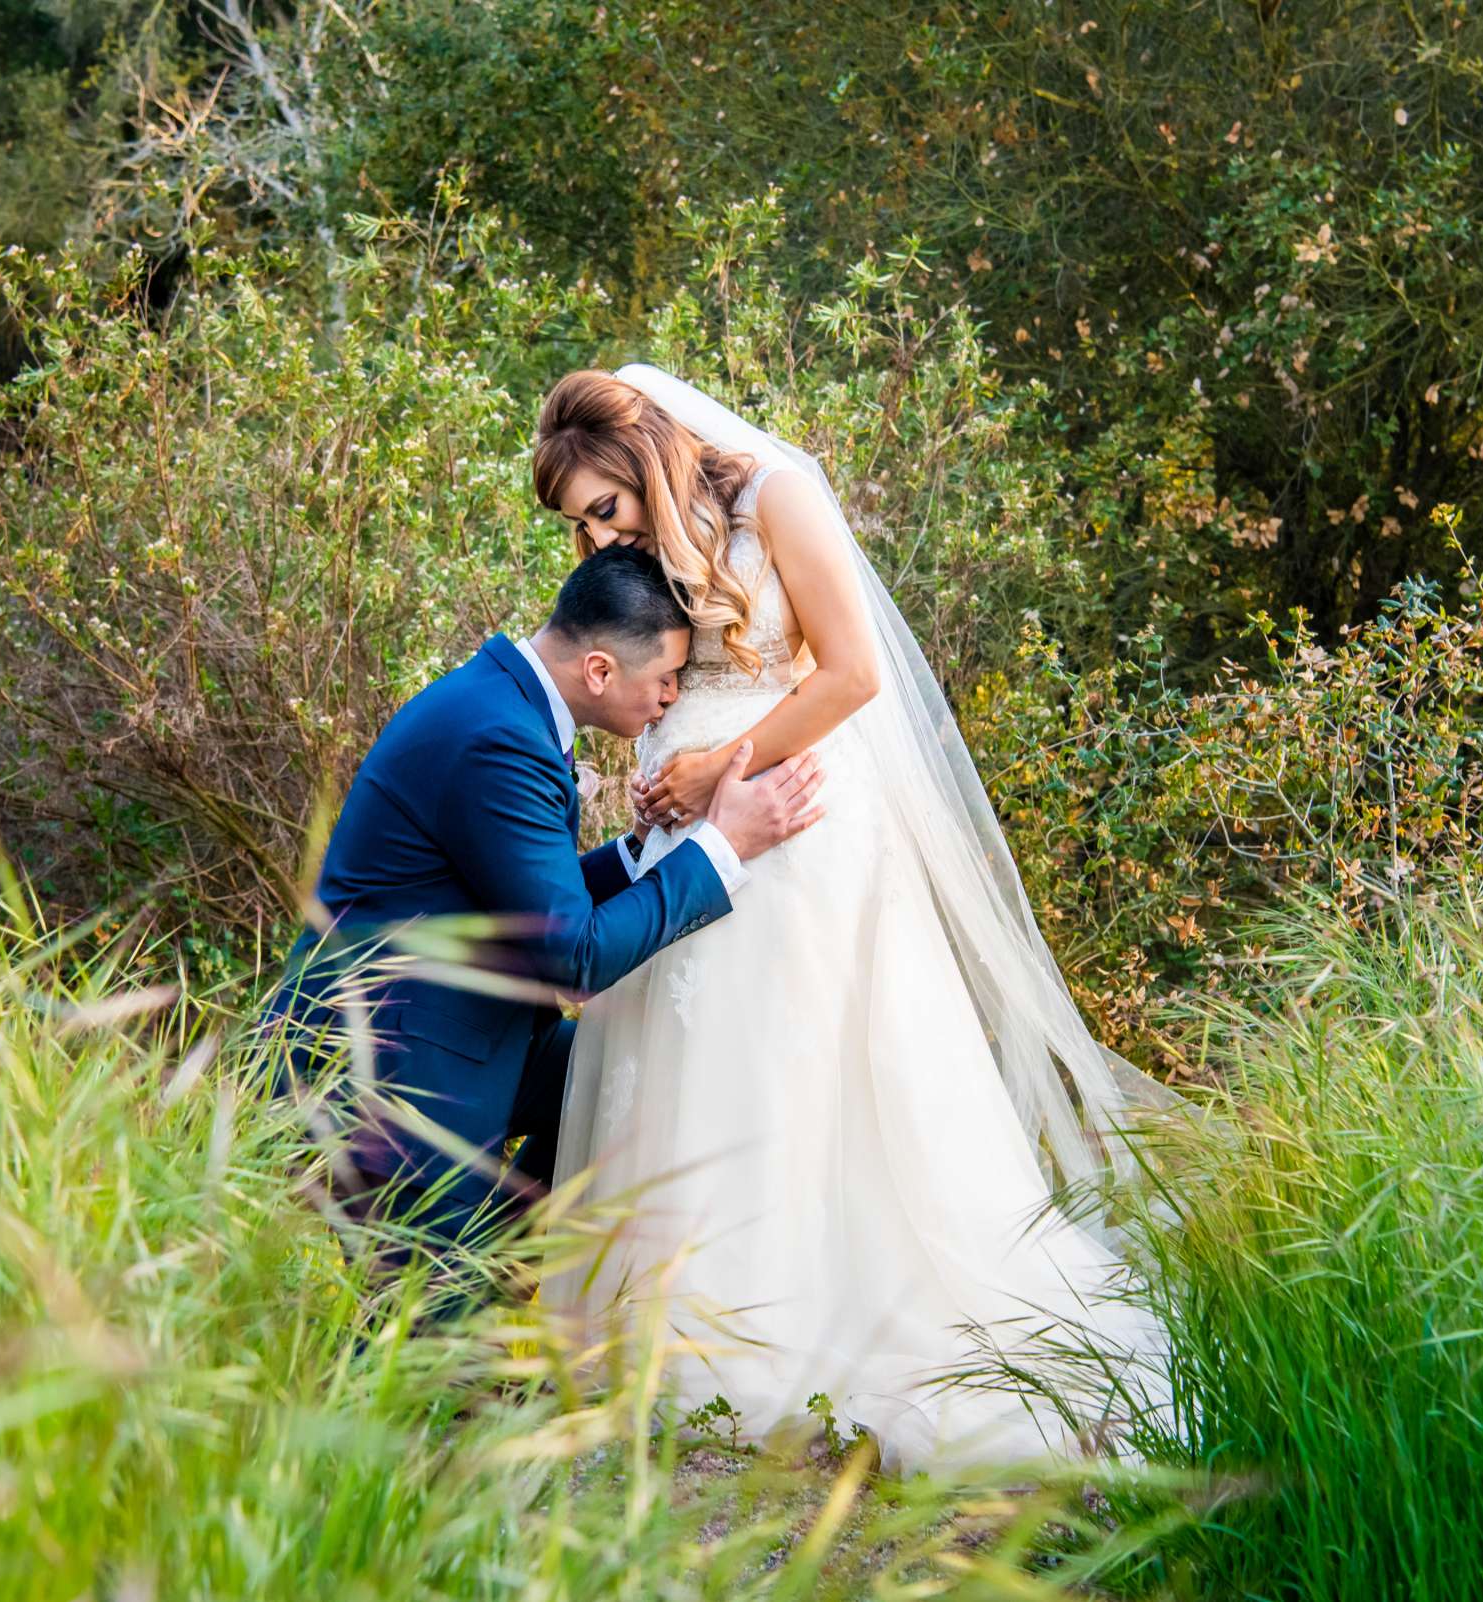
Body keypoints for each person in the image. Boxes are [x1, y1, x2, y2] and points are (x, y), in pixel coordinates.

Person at [532, 364, 1178, 1473]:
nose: (598, 541)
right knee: (691, 1057)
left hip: (799, 813)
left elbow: (852, 675)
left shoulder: (779, 493)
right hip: (694, 816)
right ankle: (675, 1320)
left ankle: (799, 1322)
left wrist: (716, 772)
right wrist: (659, 776)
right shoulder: (648, 549)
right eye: (582, 526)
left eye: (603, 507)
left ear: (639, 456)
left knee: (797, 1056)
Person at [260, 544, 824, 1264]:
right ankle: (469, 1273)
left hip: (460, 1030)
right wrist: (722, 846)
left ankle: (492, 1257)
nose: (673, 696)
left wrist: (635, 852)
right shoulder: (499, 739)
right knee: (421, 1325)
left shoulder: (501, 704)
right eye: (667, 677)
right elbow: (575, 956)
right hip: (393, 1067)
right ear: (600, 670)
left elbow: (524, 904)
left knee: (631, 1071)